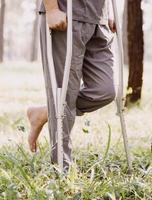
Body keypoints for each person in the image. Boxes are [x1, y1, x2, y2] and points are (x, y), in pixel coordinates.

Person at [27, 0, 117, 170]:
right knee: (63, 94)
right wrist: (52, 8)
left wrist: (110, 11)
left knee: (105, 91)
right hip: (65, 13)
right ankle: (61, 168)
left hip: (99, 18)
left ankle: (44, 112)